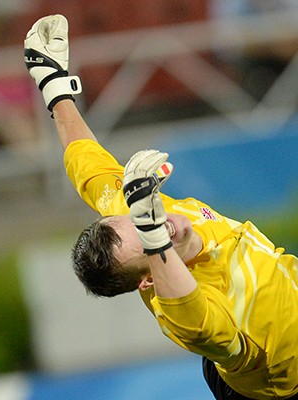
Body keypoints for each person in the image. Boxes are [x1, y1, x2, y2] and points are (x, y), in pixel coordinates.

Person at [24, 14, 298, 400]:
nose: (154, 221)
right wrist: (155, 237)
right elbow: (194, 316)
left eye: (138, 220)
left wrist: (53, 84)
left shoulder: (135, 205)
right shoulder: (188, 314)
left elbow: (84, 159)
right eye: (149, 239)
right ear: (149, 281)